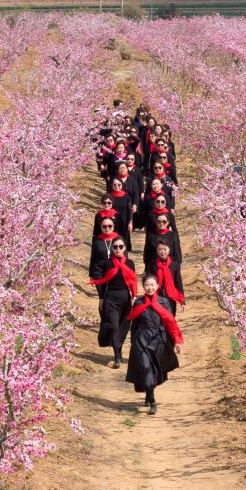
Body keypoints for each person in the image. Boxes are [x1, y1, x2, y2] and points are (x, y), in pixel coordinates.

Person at [126, 274, 183, 415]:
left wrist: (176, 341)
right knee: (145, 368)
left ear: (157, 286)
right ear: (143, 286)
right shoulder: (138, 303)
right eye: (147, 285)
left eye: (152, 285)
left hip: (158, 341)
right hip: (141, 341)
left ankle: (148, 393)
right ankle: (152, 402)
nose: (149, 287)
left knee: (155, 371)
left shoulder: (164, 302)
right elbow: (134, 324)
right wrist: (133, 341)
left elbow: (170, 323)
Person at [89, 240, 138, 368]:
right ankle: (117, 357)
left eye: (120, 246)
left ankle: (119, 349)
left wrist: (134, 295)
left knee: (123, 326)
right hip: (111, 297)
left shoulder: (130, 263)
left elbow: (133, 280)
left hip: (125, 297)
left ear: (124, 248)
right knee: (114, 326)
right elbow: (103, 282)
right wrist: (101, 298)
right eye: (115, 247)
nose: (118, 249)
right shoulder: (107, 263)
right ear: (112, 249)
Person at [152, 240, 185, 315]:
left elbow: (178, 283)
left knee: (170, 320)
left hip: (171, 298)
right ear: (156, 251)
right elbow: (149, 282)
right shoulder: (152, 265)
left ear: (169, 250)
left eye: (165, 249)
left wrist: (182, 301)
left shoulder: (174, 265)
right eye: (160, 249)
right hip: (157, 297)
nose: (163, 252)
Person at [108, 178, 135, 250]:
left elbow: (129, 210)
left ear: (122, 185)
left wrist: (130, 222)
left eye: (119, 185)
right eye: (115, 185)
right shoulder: (109, 196)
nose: (117, 186)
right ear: (112, 186)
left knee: (123, 240)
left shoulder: (127, 196)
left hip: (124, 221)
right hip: (113, 222)